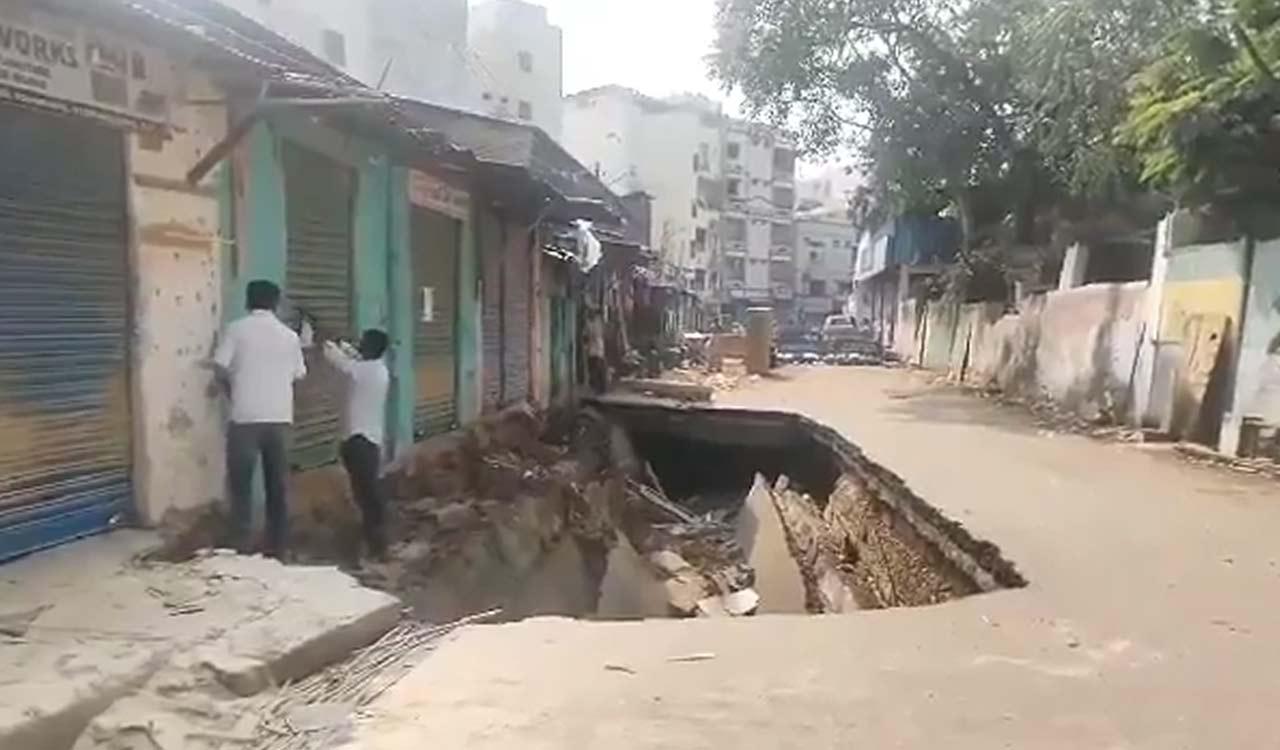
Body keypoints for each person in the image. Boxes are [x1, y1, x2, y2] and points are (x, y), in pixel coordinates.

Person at [213, 280, 307, 559]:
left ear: (248, 301)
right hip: (279, 419)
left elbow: (219, 368)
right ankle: (278, 546)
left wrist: (233, 393)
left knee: (241, 485)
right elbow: (299, 375)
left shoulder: (236, 330)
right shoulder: (290, 337)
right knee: (276, 485)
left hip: (244, 418)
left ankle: (241, 546)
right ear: (276, 303)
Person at [324, 329, 392, 560]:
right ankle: (374, 542)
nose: (359, 345)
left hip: (359, 441)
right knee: (367, 492)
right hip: (369, 441)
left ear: (371, 347)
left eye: (363, 342)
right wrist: (344, 345)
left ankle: (374, 545)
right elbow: (352, 357)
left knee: (365, 493)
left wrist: (325, 340)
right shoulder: (377, 369)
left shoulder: (365, 371)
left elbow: (338, 360)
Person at [585, 307, 607, 394]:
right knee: (599, 371)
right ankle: (600, 389)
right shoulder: (599, 324)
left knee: (595, 371)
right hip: (598, 351)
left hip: (594, 351)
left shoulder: (591, 324)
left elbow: (588, 335)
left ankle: (598, 388)